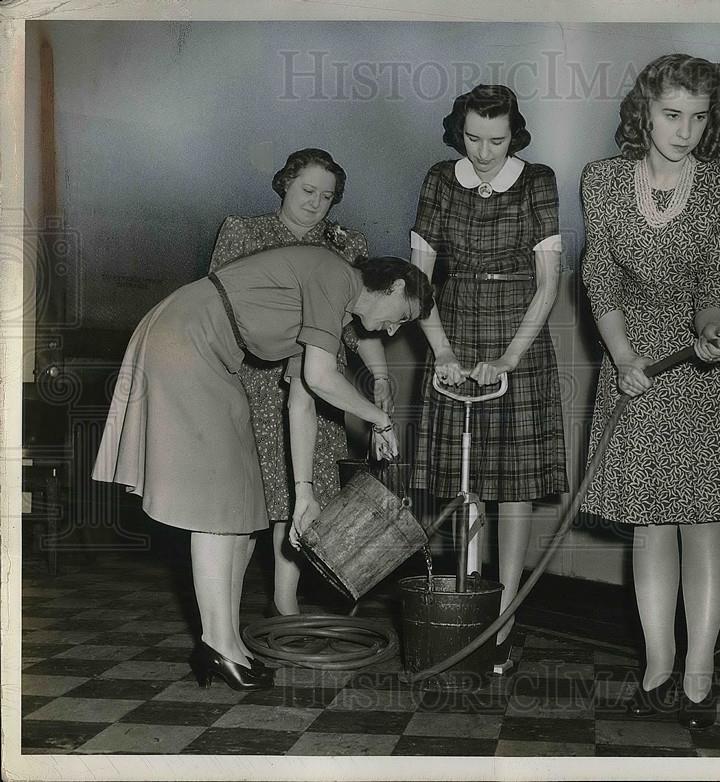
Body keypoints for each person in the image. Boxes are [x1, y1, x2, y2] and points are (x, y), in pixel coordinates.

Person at [93, 250, 433, 690]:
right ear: (394, 286)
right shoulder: (334, 274)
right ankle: (218, 645)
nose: (392, 331)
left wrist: (304, 493)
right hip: (187, 337)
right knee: (217, 507)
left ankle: (225, 640)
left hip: (207, 351)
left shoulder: (331, 310)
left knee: (242, 502)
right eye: (400, 317)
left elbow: (303, 400)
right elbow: (322, 376)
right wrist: (380, 418)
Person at [580, 53, 720, 728]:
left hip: (701, 367)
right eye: (670, 114)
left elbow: (717, 289)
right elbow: (600, 277)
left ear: (712, 118)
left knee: (704, 519)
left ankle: (698, 676)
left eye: (698, 116)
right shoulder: (601, 182)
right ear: (644, 111)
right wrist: (623, 355)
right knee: (649, 522)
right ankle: (657, 666)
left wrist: (713, 331)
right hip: (629, 358)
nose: (683, 130)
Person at [409, 84, 568, 674]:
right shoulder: (437, 180)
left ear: (514, 135)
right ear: (459, 131)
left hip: (518, 336)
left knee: (515, 483)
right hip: (450, 324)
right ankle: (466, 606)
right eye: (473, 138)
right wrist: (443, 351)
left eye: (496, 140)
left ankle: (503, 618)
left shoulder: (539, 181)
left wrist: (507, 360)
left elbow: (549, 283)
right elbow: (419, 278)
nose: (483, 151)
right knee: (464, 477)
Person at [209, 147, 389, 618]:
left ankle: (284, 604)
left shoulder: (347, 245)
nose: (315, 203)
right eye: (307, 190)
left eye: (326, 197)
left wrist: (381, 375)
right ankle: (222, 616)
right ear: (284, 183)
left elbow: (361, 324)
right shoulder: (243, 231)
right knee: (247, 502)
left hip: (315, 384)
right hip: (251, 382)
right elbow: (221, 308)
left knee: (298, 499)